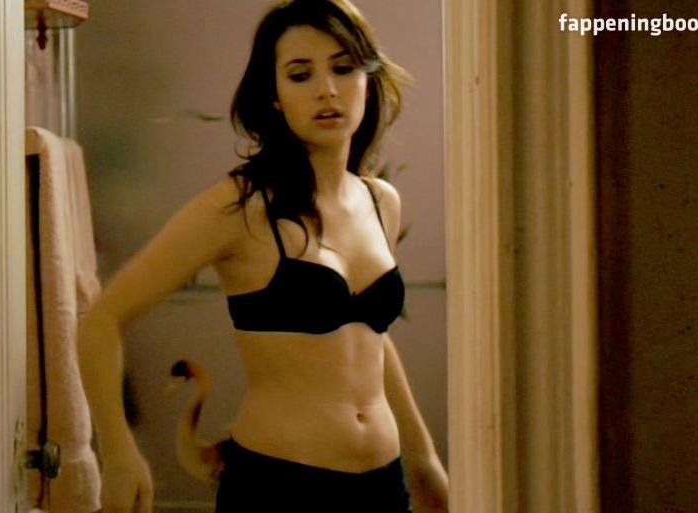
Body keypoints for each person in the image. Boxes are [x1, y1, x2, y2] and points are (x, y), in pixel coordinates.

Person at [76, 1, 449, 511]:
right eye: (300, 74)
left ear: (368, 82)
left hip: (382, 488)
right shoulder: (239, 208)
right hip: (278, 487)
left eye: (343, 68)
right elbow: (101, 321)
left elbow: (369, 338)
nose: (326, 89)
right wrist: (119, 455)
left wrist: (424, 461)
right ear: (273, 97)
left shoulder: (381, 201)